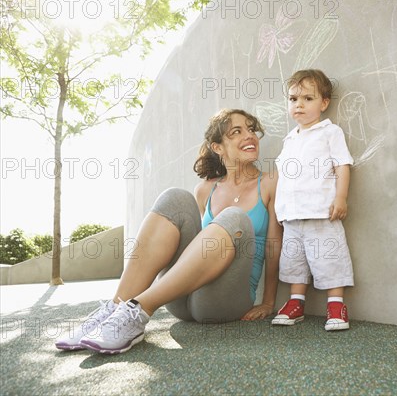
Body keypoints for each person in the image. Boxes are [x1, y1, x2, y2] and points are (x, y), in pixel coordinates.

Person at [55, 109, 282, 354]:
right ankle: (116, 307)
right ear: (217, 147)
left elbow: (273, 246)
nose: (249, 136)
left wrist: (269, 301)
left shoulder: (269, 182)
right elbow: (197, 247)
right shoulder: (205, 190)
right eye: (237, 132)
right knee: (175, 198)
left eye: (251, 129)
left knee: (234, 217)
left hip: (223, 302)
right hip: (182, 300)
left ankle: (139, 309)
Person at [271, 69, 354, 331]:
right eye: (294, 99)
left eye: (308, 98)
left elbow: (342, 164)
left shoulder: (330, 132)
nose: (299, 105)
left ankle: (336, 304)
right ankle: (296, 302)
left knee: (329, 257)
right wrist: (281, 209)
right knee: (293, 261)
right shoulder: (289, 139)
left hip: (321, 211)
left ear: (324, 103)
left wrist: (341, 197)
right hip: (292, 215)